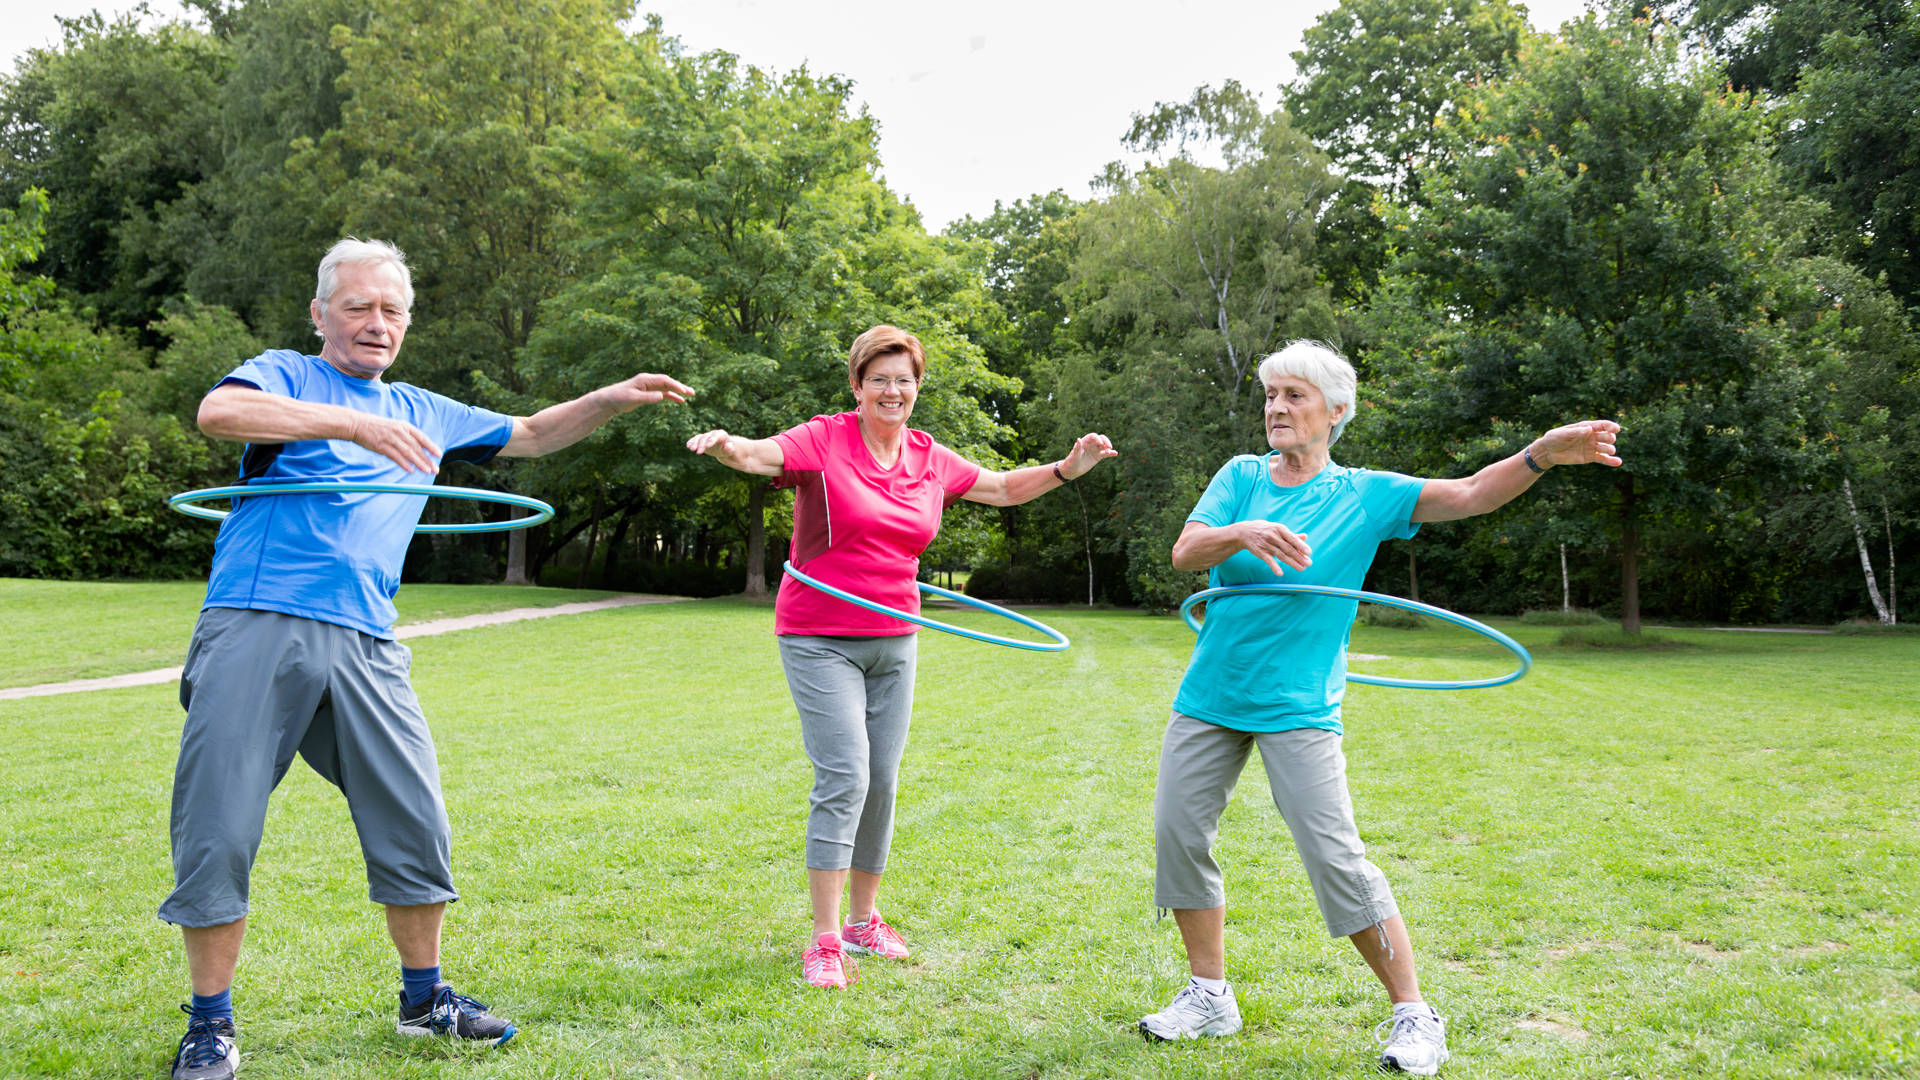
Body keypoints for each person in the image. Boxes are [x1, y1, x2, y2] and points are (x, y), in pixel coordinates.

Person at [161, 237, 694, 1080]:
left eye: (393, 310)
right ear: (321, 315)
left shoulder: (426, 408)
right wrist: (354, 421)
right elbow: (217, 415)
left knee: (416, 818)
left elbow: (528, 435)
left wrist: (610, 397)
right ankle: (210, 1023)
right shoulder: (284, 375)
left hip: (369, 636)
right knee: (220, 826)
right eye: (359, 307)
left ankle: (423, 1000)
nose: (378, 324)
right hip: (259, 619)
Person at [1136, 340, 1621, 1075]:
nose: (1276, 408)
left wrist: (1543, 455)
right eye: (1270, 396)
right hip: (1212, 694)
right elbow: (1185, 552)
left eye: (1293, 396)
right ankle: (1209, 994)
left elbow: (1469, 495)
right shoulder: (1240, 477)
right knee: (1178, 835)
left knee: (1335, 857)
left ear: (1335, 411)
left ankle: (1414, 1013)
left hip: (1298, 703)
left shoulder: (1363, 495)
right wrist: (1239, 531)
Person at [686, 324, 1116, 989]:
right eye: (879, 378)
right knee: (846, 776)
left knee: (881, 781)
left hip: (896, 638)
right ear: (857, 386)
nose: (893, 390)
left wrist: (1065, 470)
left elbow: (999, 487)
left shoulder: (928, 456)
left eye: (904, 379)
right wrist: (727, 448)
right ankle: (824, 940)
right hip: (820, 633)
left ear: (917, 389)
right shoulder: (823, 439)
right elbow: (763, 456)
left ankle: (863, 922)